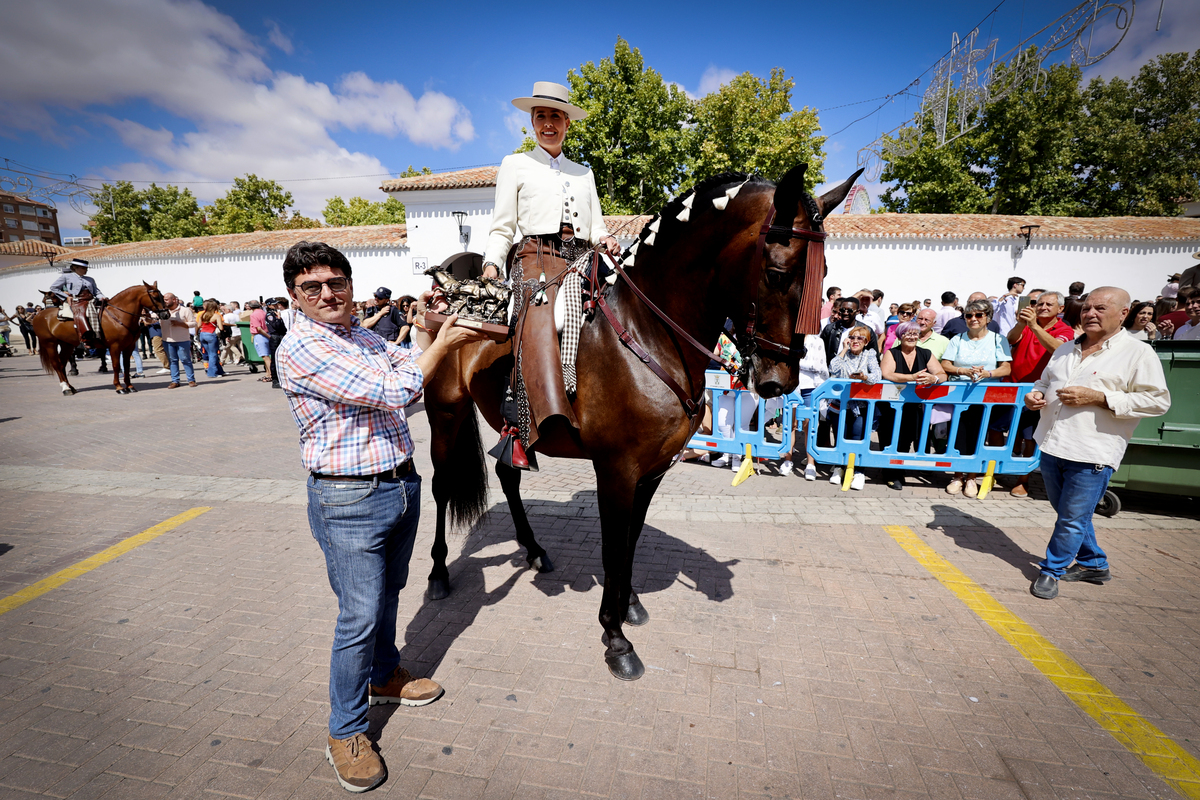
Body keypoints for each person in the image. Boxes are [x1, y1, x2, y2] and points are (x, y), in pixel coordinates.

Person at [274, 241, 487, 793]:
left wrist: (430, 334)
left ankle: (385, 674)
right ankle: (344, 730)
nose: (328, 295)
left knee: (391, 591)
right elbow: (398, 387)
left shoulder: (361, 337)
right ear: (294, 297)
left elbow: (406, 372)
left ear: (350, 284)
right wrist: (447, 341)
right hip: (348, 499)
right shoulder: (302, 348)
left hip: (397, 484)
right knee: (358, 617)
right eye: (312, 288)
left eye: (336, 283)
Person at [481, 81, 621, 448]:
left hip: (583, 258)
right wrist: (492, 263)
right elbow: (502, 225)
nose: (548, 123)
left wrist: (605, 238)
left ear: (567, 123)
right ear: (531, 121)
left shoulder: (584, 172)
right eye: (541, 115)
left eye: (555, 116)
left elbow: (596, 226)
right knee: (546, 318)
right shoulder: (515, 164)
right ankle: (519, 426)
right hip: (535, 259)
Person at [1025, 287, 1170, 600]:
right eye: (1087, 308)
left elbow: (1158, 402)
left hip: (1092, 452)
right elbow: (1045, 382)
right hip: (1051, 444)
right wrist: (1035, 395)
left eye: (1100, 308)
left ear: (1123, 313)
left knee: (1071, 518)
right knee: (1070, 514)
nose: (1090, 313)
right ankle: (1094, 563)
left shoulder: (1137, 353)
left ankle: (1051, 571)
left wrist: (1101, 398)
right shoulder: (1065, 348)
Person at [940, 299, 1012, 498]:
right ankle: (957, 476)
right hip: (960, 395)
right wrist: (961, 370)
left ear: (987, 318)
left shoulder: (998, 339)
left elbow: (1006, 367)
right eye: (969, 315)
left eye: (979, 315)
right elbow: (945, 363)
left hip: (986, 396)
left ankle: (971, 477)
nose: (973, 319)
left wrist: (987, 374)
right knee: (958, 434)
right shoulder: (957, 339)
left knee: (979, 435)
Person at [1006, 291, 1073, 497]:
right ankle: (998, 472)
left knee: (1030, 437)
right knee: (1007, 431)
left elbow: (1059, 349)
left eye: (1048, 304)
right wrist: (1022, 323)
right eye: (1039, 303)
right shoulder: (1027, 324)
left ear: (1060, 309)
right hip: (1012, 387)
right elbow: (1011, 339)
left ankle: (1023, 479)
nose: (1042, 307)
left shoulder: (1065, 329)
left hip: (1038, 391)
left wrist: (1034, 326)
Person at [880, 320, 948, 490]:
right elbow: (887, 374)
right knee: (890, 438)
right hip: (893, 406)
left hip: (916, 406)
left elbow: (942, 373)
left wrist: (935, 379)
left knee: (907, 439)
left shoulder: (925, 353)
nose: (911, 336)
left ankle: (899, 470)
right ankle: (890, 474)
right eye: (907, 333)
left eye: (915, 333)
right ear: (900, 336)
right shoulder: (892, 353)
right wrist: (912, 378)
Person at [827, 324, 880, 491]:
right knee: (840, 437)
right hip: (840, 404)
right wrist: (843, 350)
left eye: (860, 338)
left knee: (858, 438)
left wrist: (864, 377)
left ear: (866, 342)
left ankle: (858, 471)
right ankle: (839, 467)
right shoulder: (843, 355)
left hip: (861, 406)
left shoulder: (869, 354)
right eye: (852, 337)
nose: (855, 341)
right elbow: (833, 369)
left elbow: (877, 375)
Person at [48, 258, 107, 345]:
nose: (86, 270)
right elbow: (54, 288)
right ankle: (85, 337)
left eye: (86, 268)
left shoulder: (90, 279)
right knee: (81, 314)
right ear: (75, 267)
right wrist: (66, 296)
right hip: (76, 301)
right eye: (83, 268)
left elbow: (96, 291)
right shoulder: (66, 277)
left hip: (90, 300)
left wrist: (102, 297)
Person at [161, 293, 197, 388]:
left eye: (166, 299)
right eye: (164, 299)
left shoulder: (185, 310)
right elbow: (152, 319)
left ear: (174, 300)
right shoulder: (162, 311)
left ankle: (191, 380)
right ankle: (175, 381)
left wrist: (181, 324)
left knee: (186, 360)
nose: (164, 301)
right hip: (167, 340)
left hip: (182, 340)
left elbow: (193, 323)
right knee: (172, 361)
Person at [196, 299, 226, 378]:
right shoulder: (216, 315)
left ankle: (220, 371)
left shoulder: (202, 314)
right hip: (211, 334)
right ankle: (212, 373)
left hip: (202, 334)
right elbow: (221, 328)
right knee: (213, 354)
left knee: (210, 354)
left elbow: (199, 325)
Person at [265, 299, 288, 388]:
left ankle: (282, 378)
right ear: (269, 305)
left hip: (280, 336)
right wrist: (278, 319)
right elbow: (276, 326)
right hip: (275, 337)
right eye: (273, 304)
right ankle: (275, 380)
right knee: (275, 359)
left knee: (282, 358)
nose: (275, 305)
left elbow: (283, 328)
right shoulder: (270, 315)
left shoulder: (276, 313)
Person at [248, 300, 272, 383]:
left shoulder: (253, 315)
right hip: (267, 333)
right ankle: (268, 373)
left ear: (250, 307)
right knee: (267, 356)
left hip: (260, 335)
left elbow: (258, 328)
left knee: (265, 357)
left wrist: (267, 336)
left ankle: (271, 374)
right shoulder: (264, 312)